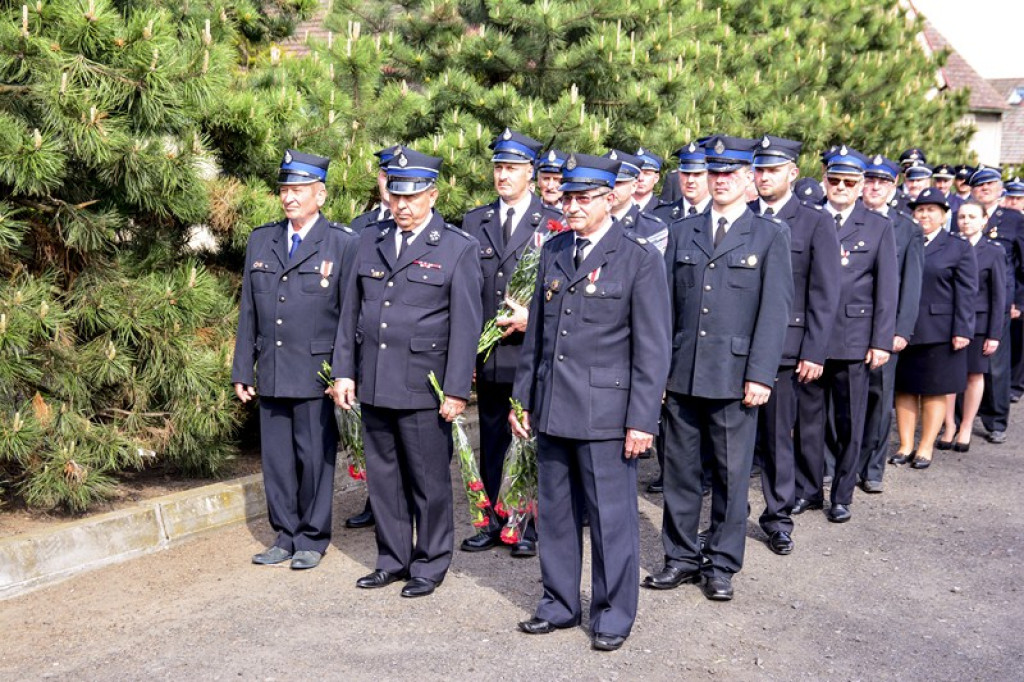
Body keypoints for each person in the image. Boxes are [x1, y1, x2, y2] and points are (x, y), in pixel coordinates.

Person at [509, 152, 670, 651]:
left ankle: (613, 613)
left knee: (610, 520)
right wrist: (523, 399)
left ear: (609, 198)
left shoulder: (638, 257)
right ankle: (559, 603)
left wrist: (642, 420)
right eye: (568, 198)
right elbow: (538, 337)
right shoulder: (556, 250)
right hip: (554, 406)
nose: (572, 207)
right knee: (556, 515)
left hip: (607, 415)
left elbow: (653, 348)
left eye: (583, 198)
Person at [332, 146, 483, 598]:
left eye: (412, 197)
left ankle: (429, 564)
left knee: (427, 481)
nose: (402, 205)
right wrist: (344, 372)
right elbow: (350, 313)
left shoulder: (456, 248)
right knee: (384, 479)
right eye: (396, 195)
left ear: (432, 196)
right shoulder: (369, 241)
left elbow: (466, 327)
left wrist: (456, 390)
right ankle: (392, 559)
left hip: (423, 386)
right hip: (376, 380)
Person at [647, 135, 792, 601]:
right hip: (683, 372)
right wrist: (659, 373)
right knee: (680, 472)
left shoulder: (769, 234)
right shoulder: (683, 230)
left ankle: (722, 563)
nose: (721, 180)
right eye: (715, 172)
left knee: (731, 476)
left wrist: (761, 375)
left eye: (730, 173)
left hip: (734, 377)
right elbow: (665, 308)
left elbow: (774, 312)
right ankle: (681, 556)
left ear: (748, 178)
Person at [232, 149, 358, 570]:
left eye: (299, 190)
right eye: (285, 189)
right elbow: (249, 310)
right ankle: (284, 535)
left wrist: (344, 371)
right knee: (277, 462)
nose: (289, 197)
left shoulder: (342, 243)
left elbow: (349, 317)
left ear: (320, 195)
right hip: (271, 369)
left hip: (315, 373)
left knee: (314, 458)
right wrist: (242, 368)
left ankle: (312, 537)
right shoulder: (262, 240)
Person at [460, 129, 561, 558]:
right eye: (498, 167)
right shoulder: (475, 221)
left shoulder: (552, 221)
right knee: (492, 437)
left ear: (530, 173)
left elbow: (562, 294)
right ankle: (493, 521)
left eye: (512, 168)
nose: (503, 175)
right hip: (490, 353)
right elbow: (466, 293)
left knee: (528, 438)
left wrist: (530, 318)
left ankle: (527, 524)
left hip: (530, 353)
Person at [792, 147, 897, 523]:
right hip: (810, 339)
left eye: (849, 182)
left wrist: (881, 341)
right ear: (825, 180)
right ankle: (808, 490)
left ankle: (841, 495)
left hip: (853, 338)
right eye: (834, 180)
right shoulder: (808, 218)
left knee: (850, 421)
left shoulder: (877, 226)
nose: (840, 187)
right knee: (808, 421)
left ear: (860, 186)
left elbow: (887, 288)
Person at [749, 135, 841, 556]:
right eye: (760, 169)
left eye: (773, 170)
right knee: (733, 442)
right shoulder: (743, 214)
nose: (764, 177)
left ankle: (778, 517)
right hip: (738, 346)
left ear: (793, 173)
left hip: (786, 347)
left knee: (776, 438)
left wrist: (814, 350)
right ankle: (726, 518)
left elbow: (824, 291)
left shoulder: (814, 221)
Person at [888, 189, 977, 469]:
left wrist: (963, 329)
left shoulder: (957, 247)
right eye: (920, 210)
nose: (924, 215)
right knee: (904, 389)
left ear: (943, 215)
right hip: (903, 328)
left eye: (931, 210)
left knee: (933, 390)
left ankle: (925, 446)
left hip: (939, 330)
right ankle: (905, 445)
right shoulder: (902, 238)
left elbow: (967, 292)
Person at [856, 156, 924, 494]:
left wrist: (900, 330)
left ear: (893, 186)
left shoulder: (907, 228)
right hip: (848, 325)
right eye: (869, 180)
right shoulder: (845, 218)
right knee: (839, 400)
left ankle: (872, 469)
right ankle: (833, 464)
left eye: (881, 182)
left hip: (885, 328)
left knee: (879, 401)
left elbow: (911, 284)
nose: (874, 187)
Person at [345, 144, 400, 531]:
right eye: (385, 176)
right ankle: (374, 501)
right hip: (369, 348)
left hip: (409, 352)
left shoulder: (430, 224)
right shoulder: (360, 226)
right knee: (373, 435)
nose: (390, 184)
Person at [941, 201, 1006, 451]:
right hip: (949, 321)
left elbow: (998, 296)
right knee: (948, 375)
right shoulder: (950, 246)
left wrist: (994, 334)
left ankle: (966, 425)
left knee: (973, 375)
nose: (966, 221)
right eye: (962, 217)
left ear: (984, 220)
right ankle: (949, 424)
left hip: (979, 323)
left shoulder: (994, 251)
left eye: (971, 217)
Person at [973, 166, 1024, 440]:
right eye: (979, 185)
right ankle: (959, 417)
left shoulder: (1013, 219)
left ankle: (995, 422)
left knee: (996, 365)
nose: (984, 188)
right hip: (967, 299)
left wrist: (1019, 301)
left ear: (1000, 188)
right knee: (963, 361)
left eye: (990, 184)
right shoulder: (963, 214)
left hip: (1001, 299)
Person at [604, 149, 669, 251]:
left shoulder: (653, 227)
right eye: (608, 183)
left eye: (619, 183)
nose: (641, 178)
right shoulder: (588, 221)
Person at [653, 142, 711, 223]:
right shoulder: (660, 216)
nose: (690, 180)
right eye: (686, 173)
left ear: (710, 175)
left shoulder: (721, 215)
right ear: (679, 174)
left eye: (697, 174)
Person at [633, 147, 664, 213]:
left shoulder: (664, 211)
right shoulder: (616, 207)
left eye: (647, 174)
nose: (640, 178)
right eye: (637, 173)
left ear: (656, 178)